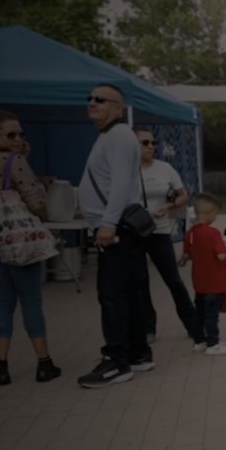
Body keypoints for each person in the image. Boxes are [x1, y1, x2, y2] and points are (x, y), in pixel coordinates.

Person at [76, 85, 154, 388]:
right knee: (130, 292)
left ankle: (117, 362)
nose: (92, 103)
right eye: (90, 99)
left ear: (117, 108)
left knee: (112, 296)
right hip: (120, 226)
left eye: (100, 100)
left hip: (116, 228)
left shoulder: (119, 136)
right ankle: (137, 353)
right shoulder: (110, 137)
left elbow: (121, 183)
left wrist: (107, 224)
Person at [0, 111, 60, 385]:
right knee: (31, 301)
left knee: (2, 304)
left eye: (21, 134)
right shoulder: (14, 161)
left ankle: (1, 367)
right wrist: (42, 212)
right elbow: (35, 200)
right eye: (11, 134)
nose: (18, 139)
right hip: (20, 243)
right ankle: (44, 364)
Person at [135, 127, 196, 343]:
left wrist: (168, 206)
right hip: (133, 233)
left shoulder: (165, 168)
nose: (151, 146)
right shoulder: (125, 170)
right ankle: (147, 328)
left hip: (159, 231)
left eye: (153, 143)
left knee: (174, 280)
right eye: (145, 143)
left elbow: (183, 197)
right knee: (140, 283)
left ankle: (193, 324)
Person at [182, 193, 226, 355]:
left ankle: (200, 340)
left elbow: (186, 255)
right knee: (212, 315)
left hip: (199, 283)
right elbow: (221, 255)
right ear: (210, 211)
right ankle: (213, 344)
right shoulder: (213, 233)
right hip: (215, 283)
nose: (216, 217)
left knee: (200, 314)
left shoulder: (190, 233)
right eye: (216, 213)